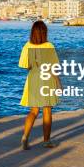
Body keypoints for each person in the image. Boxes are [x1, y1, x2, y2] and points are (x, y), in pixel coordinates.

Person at [18, 20, 61, 150]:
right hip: (47, 78)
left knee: (34, 110)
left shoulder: (27, 46)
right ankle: (46, 141)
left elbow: (25, 65)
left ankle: (25, 136)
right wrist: (59, 82)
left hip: (33, 78)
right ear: (44, 33)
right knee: (47, 109)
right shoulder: (49, 46)